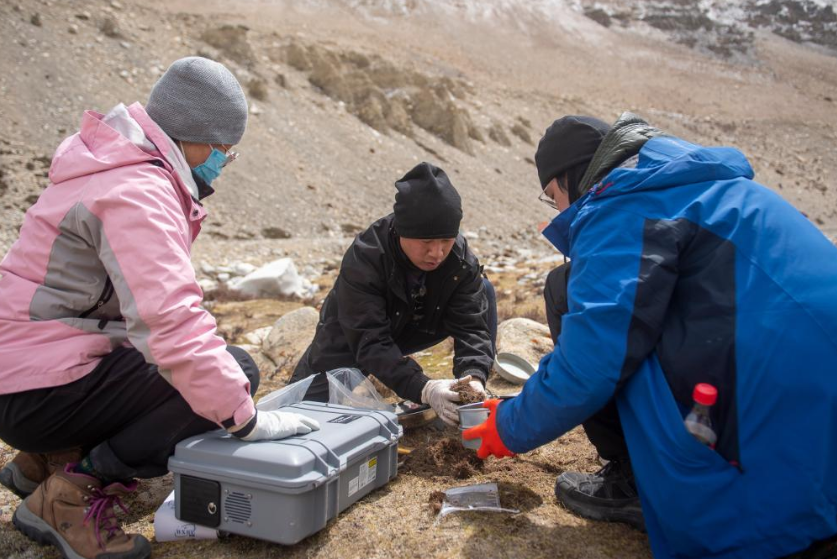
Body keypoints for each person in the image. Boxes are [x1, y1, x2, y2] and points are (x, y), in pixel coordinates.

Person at [464, 113, 837, 559]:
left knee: (568, 293)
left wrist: (507, 425)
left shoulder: (620, 204)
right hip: (816, 418)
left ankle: (635, 482)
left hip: (760, 461)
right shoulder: (702, 185)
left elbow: (593, 360)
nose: (559, 211)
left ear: (573, 177)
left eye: (553, 196)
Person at [0, 57, 320, 559]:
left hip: (25, 374)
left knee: (177, 370)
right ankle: (72, 492)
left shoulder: (110, 164)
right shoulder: (138, 192)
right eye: (223, 151)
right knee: (233, 372)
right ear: (194, 137)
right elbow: (170, 323)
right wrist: (246, 418)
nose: (223, 163)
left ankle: (42, 462)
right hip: (36, 391)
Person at [290, 162, 497, 425]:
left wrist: (474, 376)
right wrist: (424, 387)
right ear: (402, 231)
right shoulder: (365, 258)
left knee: (484, 291)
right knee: (303, 409)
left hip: (420, 321)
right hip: (355, 333)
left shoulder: (460, 259)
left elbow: (471, 327)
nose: (437, 253)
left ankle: (476, 394)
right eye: (426, 243)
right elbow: (371, 341)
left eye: (446, 240)